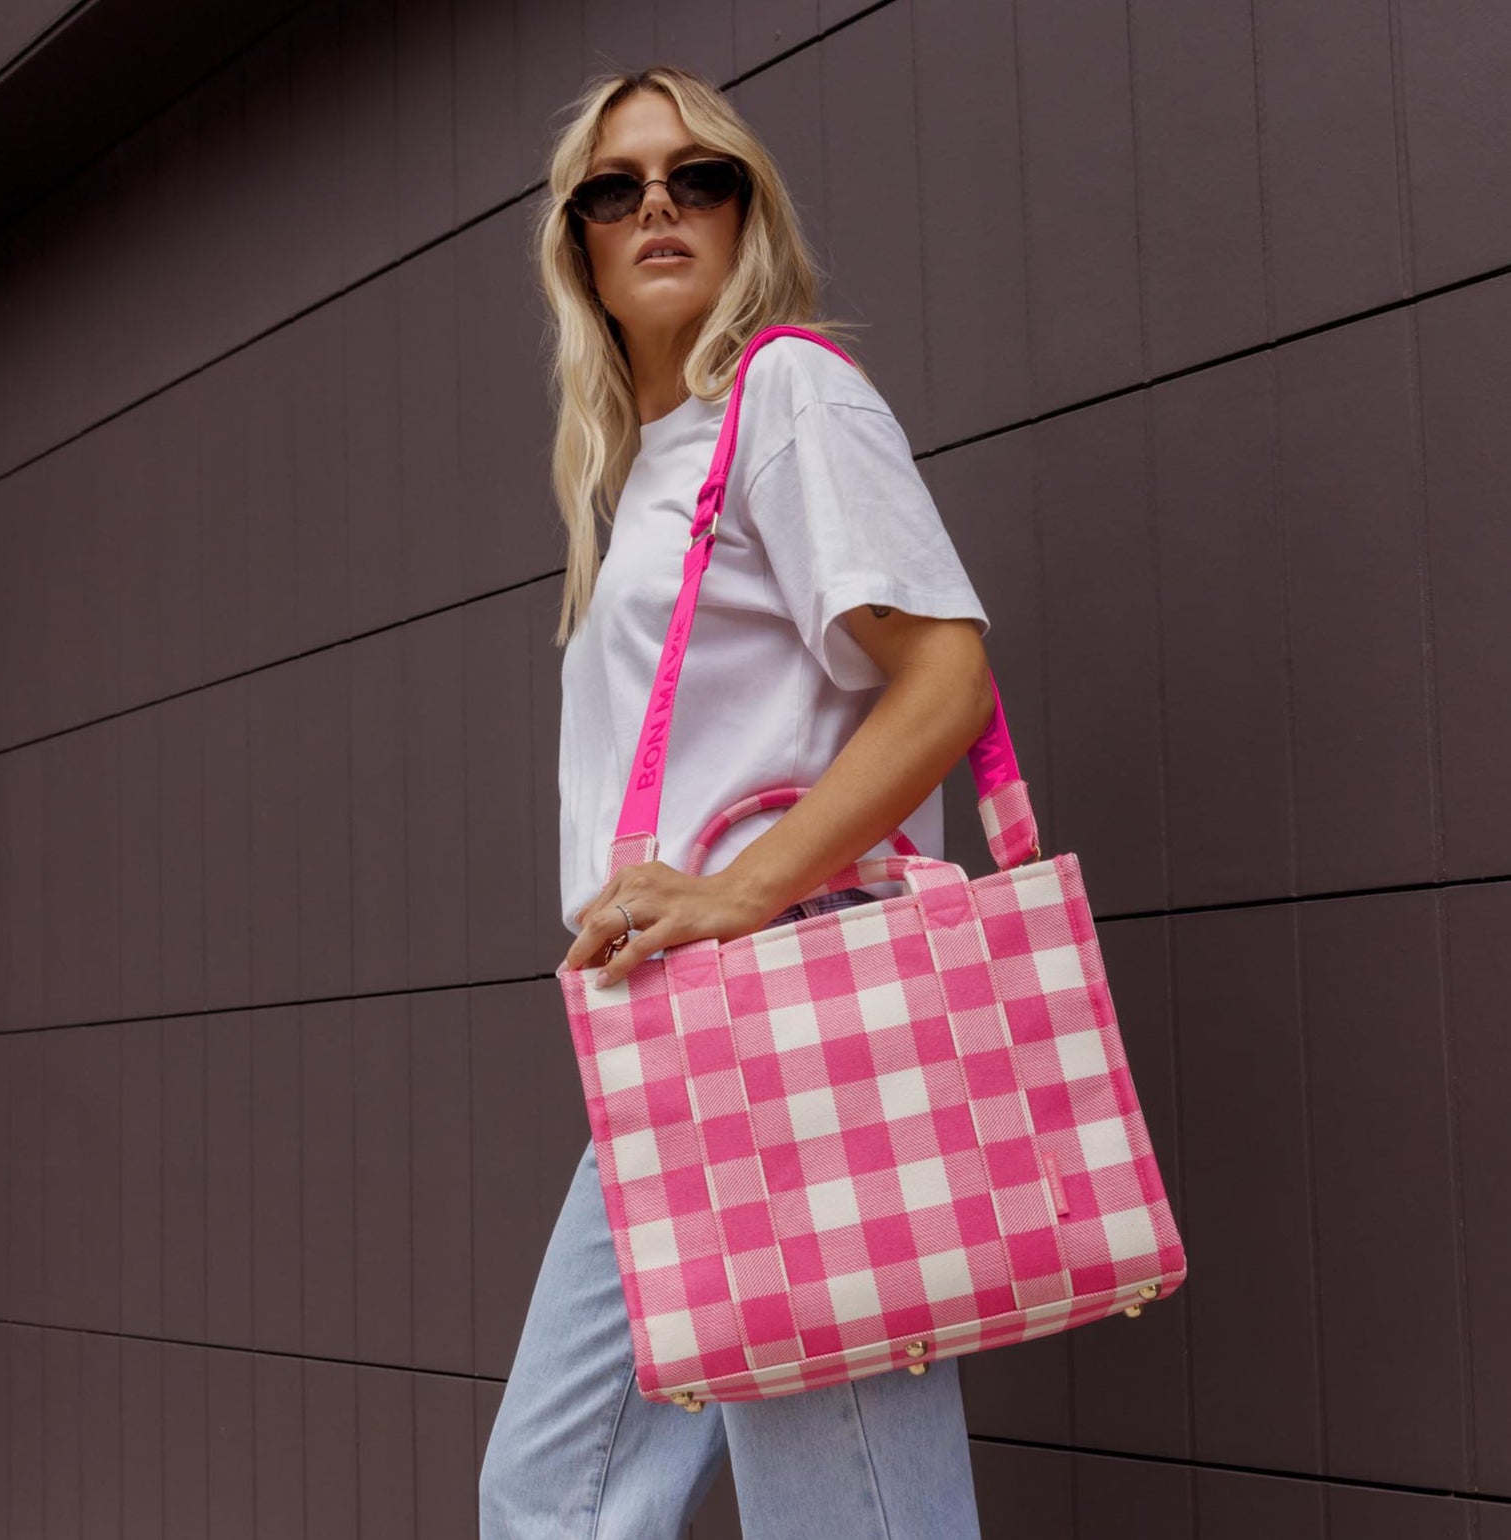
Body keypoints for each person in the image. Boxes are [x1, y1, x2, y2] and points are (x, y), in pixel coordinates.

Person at [478, 64, 993, 1540]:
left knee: (846, 1508)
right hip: (677, 1039)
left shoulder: (788, 392)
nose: (657, 203)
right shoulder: (637, 473)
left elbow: (944, 681)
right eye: (615, 185)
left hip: (790, 1010)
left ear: (745, 213)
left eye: (696, 177)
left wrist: (741, 888)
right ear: (574, 239)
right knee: (554, 1499)